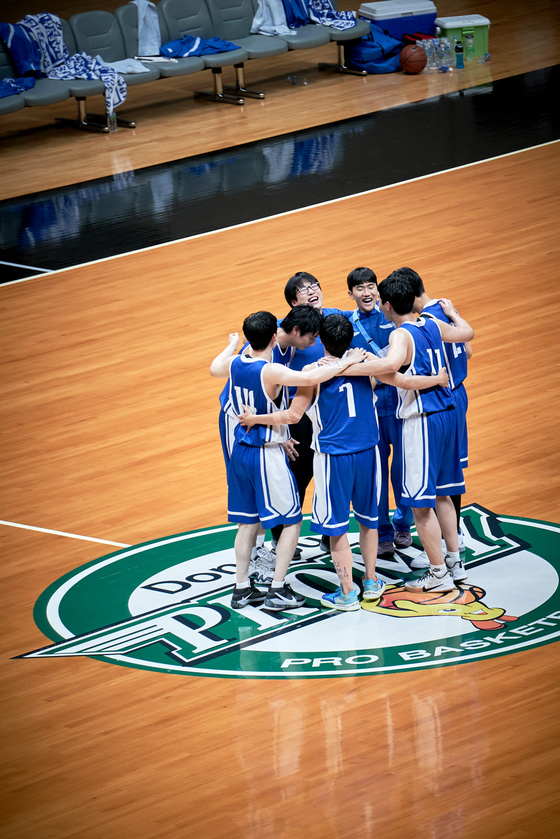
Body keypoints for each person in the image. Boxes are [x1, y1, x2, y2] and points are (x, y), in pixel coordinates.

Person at [240, 313, 449, 610]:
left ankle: (348, 592)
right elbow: (398, 376)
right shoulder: (368, 368)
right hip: (369, 453)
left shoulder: (312, 374)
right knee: (368, 522)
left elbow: (292, 416)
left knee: (336, 528)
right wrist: (438, 379)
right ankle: (372, 581)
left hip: (333, 459)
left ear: (321, 340)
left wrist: (254, 419)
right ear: (350, 340)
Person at [210, 310, 366, 611]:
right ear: (273, 337)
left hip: (239, 449)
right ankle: (278, 589)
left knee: (247, 524)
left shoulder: (235, 363)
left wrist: (231, 344)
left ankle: (242, 588)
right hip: (263, 453)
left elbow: (215, 366)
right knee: (292, 520)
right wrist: (346, 361)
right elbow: (310, 377)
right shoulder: (268, 371)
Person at [377, 271, 475, 592]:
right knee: (444, 493)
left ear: (387, 305)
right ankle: (454, 562)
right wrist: (454, 313)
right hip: (448, 415)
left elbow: (391, 368)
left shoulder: (400, 335)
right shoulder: (432, 323)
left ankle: (437, 574)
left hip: (423, 421)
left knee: (421, 504)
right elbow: (467, 335)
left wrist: (354, 364)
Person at [216, 305, 323, 583]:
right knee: (258, 505)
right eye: (311, 336)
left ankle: (247, 572)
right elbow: (297, 394)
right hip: (240, 422)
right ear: (279, 334)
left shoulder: (250, 356)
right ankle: (261, 566)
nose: (313, 343)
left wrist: (231, 345)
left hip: (256, 427)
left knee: (251, 508)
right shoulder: (266, 364)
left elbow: (216, 368)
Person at [274, 272, 352, 555]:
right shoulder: (288, 334)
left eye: (314, 286)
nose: (311, 291)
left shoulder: (335, 317)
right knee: (299, 474)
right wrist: (280, 429)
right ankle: (281, 536)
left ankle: (328, 533)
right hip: (301, 415)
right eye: (303, 290)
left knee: (330, 474)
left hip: (333, 412)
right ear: (294, 302)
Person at [399, 267, 472, 566]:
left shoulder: (423, 324)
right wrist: (455, 314)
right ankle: (452, 539)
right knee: (450, 472)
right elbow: (467, 350)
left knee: (440, 476)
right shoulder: (445, 309)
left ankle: (446, 541)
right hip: (458, 391)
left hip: (440, 396)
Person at [346, 266, 414, 559]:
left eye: (371, 286)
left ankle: (404, 522)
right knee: (377, 475)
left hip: (400, 406)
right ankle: (383, 532)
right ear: (350, 294)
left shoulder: (393, 318)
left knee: (403, 471)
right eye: (359, 288)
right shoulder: (347, 326)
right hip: (370, 413)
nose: (366, 293)